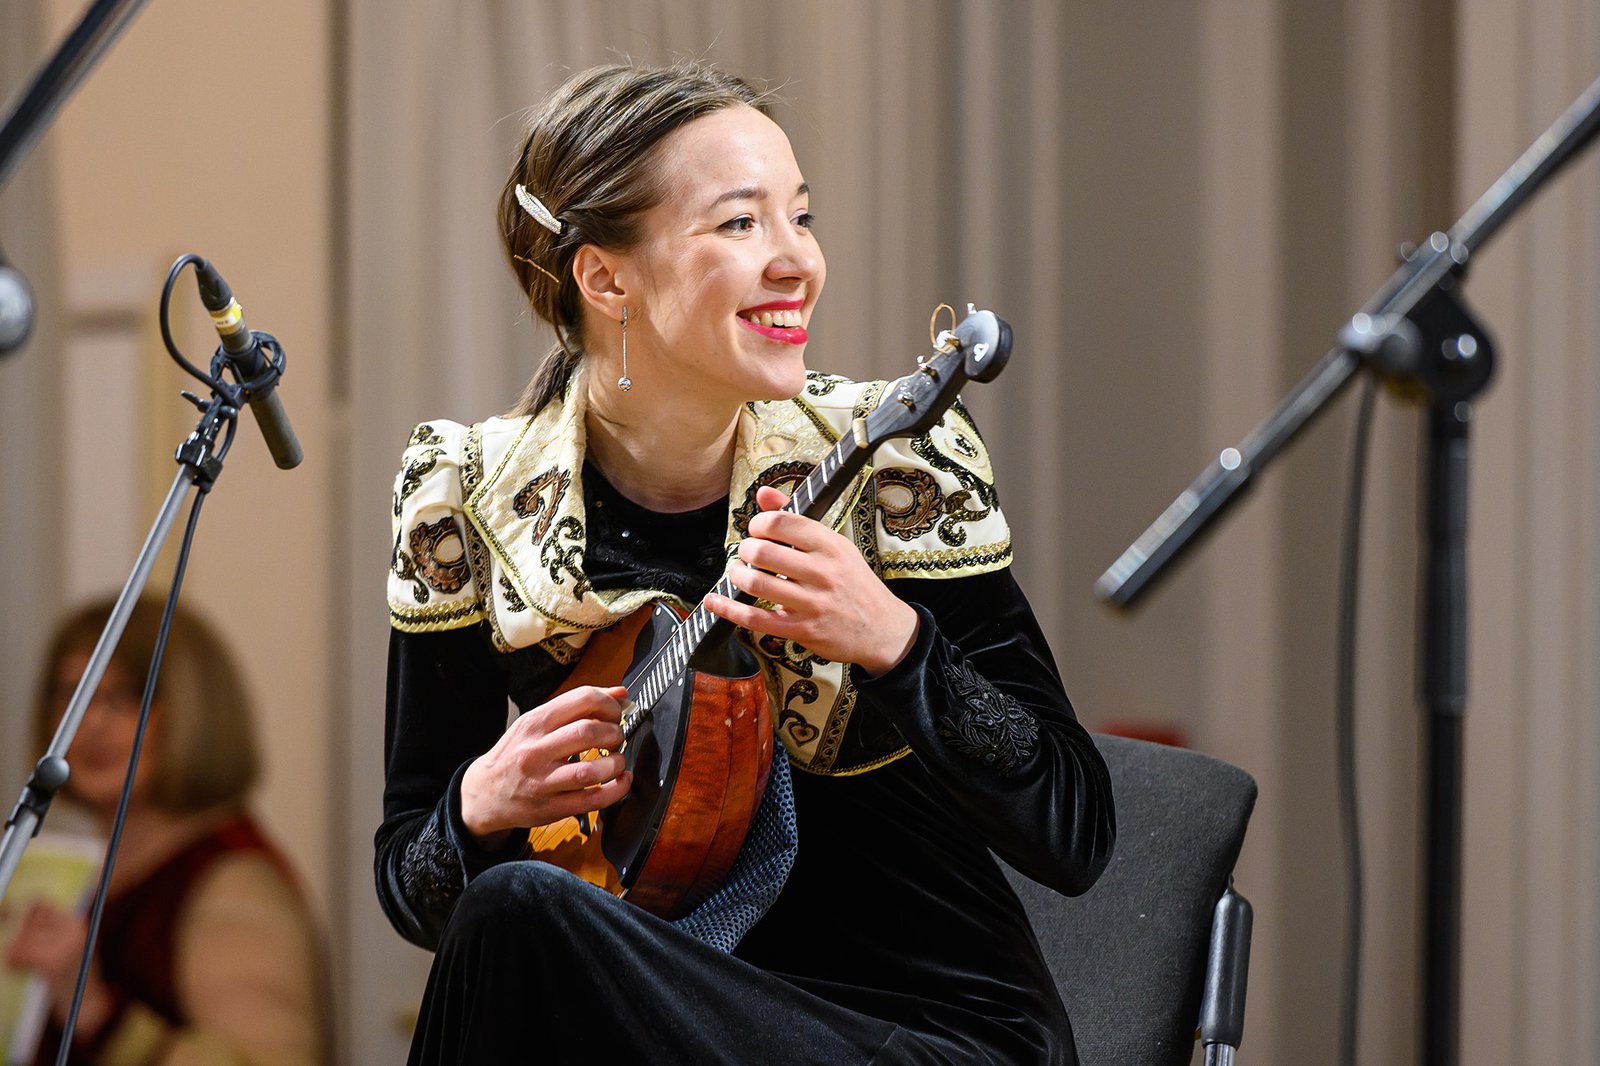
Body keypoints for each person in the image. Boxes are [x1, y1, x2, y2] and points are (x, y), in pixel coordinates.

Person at [377, 60, 1116, 1065]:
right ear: (605, 278)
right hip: (657, 1015)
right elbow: (414, 894)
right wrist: (478, 805)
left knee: (517, 914)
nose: (797, 260)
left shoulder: (895, 463)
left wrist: (896, 644)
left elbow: (1074, 832)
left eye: (799, 217)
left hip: (931, 1031)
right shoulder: (464, 500)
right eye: (740, 223)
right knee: (512, 912)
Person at [5, 597, 327, 1065]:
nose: (93, 723)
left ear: (193, 708)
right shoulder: (86, 871)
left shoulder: (233, 884)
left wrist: (97, 1013)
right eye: (72, 695)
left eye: (126, 697)